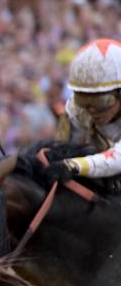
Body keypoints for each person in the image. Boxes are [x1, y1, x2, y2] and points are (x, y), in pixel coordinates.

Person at [45, 39, 121, 188]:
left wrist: (74, 165)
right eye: (83, 99)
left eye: (101, 101)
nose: (92, 110)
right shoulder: (77, 109)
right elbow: (62, 148)